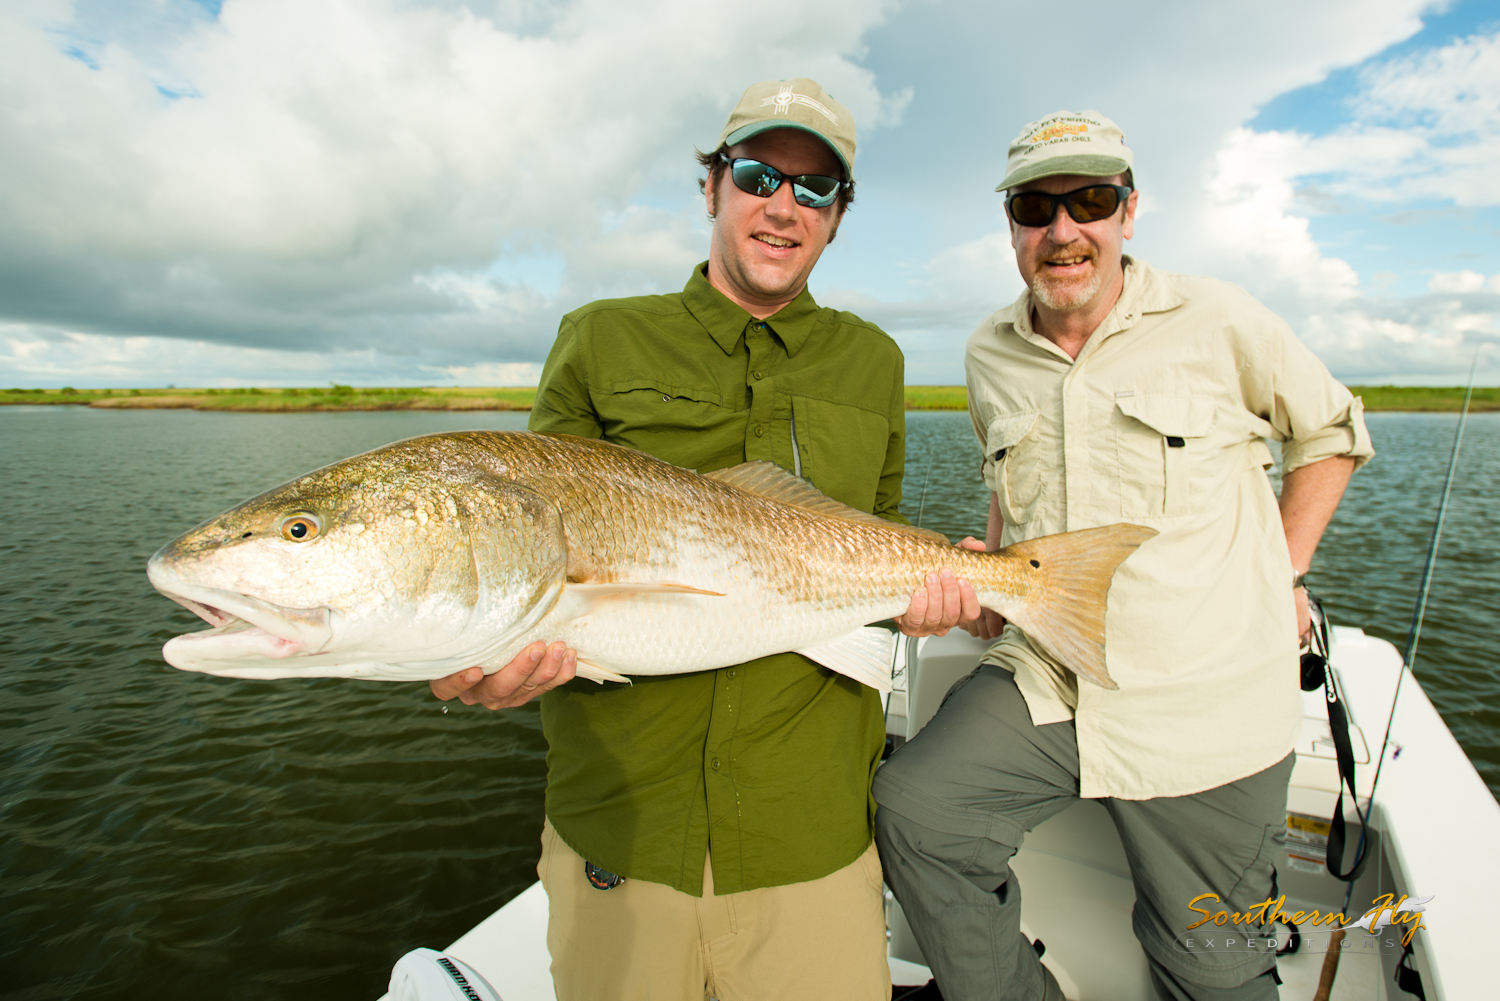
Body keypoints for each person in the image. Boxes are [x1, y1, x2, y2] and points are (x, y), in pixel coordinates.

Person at [431, 78, 980, 1001]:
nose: (783, 206)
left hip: (810, 829)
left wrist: (929, 599)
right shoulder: (600, 338)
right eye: (760, 174)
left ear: (839, 218)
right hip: (625, 828)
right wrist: (479, 646)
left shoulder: (873, 360)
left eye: (816, 189)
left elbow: (874, 542)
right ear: (712, 187)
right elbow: (526, 543)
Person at [872, 110, 1374, 1001]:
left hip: (1204, 693)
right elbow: (1011, 482)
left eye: (1090, 200)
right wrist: (990, 565)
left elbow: (1330, 431)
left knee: (1210, 969)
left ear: (1128, 213)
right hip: (1051, 673)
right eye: (1036, 206)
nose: (1063, 230)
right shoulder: (988, 352)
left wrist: (1283, 571)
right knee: (917, 813)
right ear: (1013, 226)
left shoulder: (1219, 317)